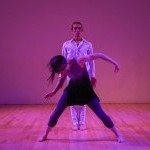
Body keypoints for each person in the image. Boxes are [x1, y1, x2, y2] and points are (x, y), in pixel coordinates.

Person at [38, 53, 124, 143]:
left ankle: (118, 134)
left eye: (62, 69)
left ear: (64, 63)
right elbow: (61, 80)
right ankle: (45, 134)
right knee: (56, 114)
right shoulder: (63, 68)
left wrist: (115, 63)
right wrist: (54, 92)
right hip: (71, 92)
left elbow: (99, 55)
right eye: (60, 71)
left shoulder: (79, 61)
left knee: (101, 114)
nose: (62, 71)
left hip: (86, 92)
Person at [62, 21, 96, 130]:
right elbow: (63, 61)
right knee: (72, 99)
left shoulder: (88, 44)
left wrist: (93, 75)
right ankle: (74, 123)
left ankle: (81, 123)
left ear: (82, 30)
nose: (77, 30)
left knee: (83, 99)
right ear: (72, 30)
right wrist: (61, 76)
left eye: (79, 28)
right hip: (71, 76)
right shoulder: (66, 44)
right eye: (75, 28)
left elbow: (91, 61)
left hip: (83, 76)